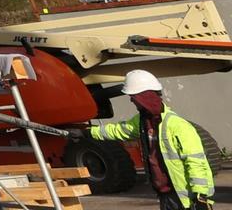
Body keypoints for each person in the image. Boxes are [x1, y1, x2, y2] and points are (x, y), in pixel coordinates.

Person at [85, 70, 216, 207]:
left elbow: (196, 161)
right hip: (166, 195)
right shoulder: (143, 121)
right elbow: (119, 130)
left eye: (133, 96)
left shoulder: (178, 126)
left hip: (186, 199)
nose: (131, 100)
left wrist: (201, 196)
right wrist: (89, 132)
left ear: (144, 97)